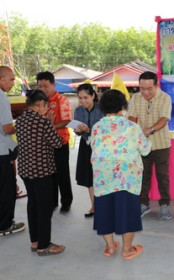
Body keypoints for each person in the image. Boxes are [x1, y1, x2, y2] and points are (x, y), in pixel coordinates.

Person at [91, 89, 151, 259]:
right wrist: (148, 138)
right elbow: (145, 150)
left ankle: (110, 247)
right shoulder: (132, 126)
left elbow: (94, 148)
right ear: (123, 106)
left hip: (103, 178)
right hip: (127, 178)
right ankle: (127, 249)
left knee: (104, 212)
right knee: (127, 213)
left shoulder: (97, 127)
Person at [15, 89, 65, 255]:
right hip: (41, 171)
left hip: (25, 169)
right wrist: (50, 121)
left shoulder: (20, 120)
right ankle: (44, 245)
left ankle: (35, 241)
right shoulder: (42, 121)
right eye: (46, 106)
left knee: (32, 204)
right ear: (41, 104)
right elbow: (58, 143)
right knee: (44, 208)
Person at [128, 71, 172, 220]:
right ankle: (143, 203)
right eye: (142, 88)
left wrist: (150, 130)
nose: (145, 92)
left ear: (156, 85)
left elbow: (164, 119)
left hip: (161, 144)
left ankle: (165, 205)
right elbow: (132, 118)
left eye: (149, 89)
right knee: (142, 175)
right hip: (141, 144)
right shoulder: (135, 98)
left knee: (162, 176)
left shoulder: (165, 98)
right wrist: (132, 131)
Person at [37, 71, 73, 213]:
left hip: (60, 143)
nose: (43, 89)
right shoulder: (39, 101)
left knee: (62, 174)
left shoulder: (61, 100)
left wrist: (49, 126)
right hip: (45, 145)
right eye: (40, 86)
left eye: (45, 86)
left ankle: (66, 202)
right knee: (48, 174)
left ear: (53, 84)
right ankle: (52, 202)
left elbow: (67, 121)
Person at [0, 65, 26, 236]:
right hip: (2, 151)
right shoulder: (1, 97)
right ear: (1, 79)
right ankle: (4, 225)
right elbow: (7, 129)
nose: (12, 83)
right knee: (6, 189)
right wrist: (22, 123)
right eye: (10, 79)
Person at [74, 83, 104, 218]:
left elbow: (105, 131)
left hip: (101, 147)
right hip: (85, 146)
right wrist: (78, 131)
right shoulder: (78, 111)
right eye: (80, 98)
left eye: (86, 97)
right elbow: (78, 131)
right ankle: (94, 206)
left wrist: (90, 130)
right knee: (88, 177)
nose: (83, 101)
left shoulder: (102, 110)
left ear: (93, 96)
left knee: (101, 177)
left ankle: (104, 205)